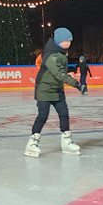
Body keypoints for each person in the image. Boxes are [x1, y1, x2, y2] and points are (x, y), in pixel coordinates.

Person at [25, 28, 83, 157]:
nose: (69, 43)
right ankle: (32, 143)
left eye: (70, 41)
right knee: (43, 116)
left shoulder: (61, 54)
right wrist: (77, 84)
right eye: (66, 40)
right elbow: (59, 74)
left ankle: (66, 142)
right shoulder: (51, 56)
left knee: (64, 114)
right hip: (44, 91)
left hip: (57, 91)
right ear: (59, 41)